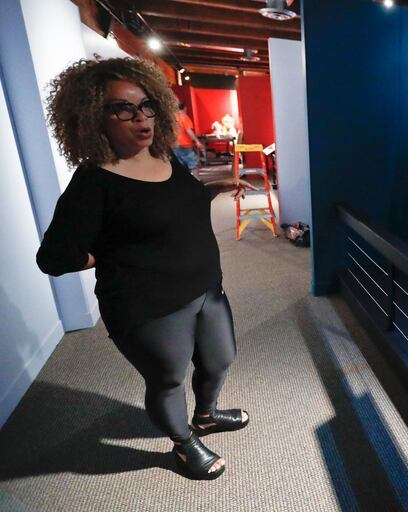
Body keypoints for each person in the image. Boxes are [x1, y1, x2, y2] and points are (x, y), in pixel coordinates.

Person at [37, 58, 257, 480]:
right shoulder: (94, 183)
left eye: (147, 106)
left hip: (205, 286)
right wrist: (112, 252)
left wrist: (214, 188)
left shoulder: (164, 156)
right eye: (123, 108)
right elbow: (55, 257)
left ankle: (207, 415)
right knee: (169, 380)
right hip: (148, 305)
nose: (141, 119)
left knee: (220, 360)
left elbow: (173, 205)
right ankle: (183, 443)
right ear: (91, 117)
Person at [173, 102, 203, 174]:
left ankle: (184, 183)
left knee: (181, 166)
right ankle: (196, 182)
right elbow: (189, 131)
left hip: (175, 145)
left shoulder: (173, 118)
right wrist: (197, 141)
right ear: (184, 108)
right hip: (185, 145)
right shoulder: (184, 117)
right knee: (193, 165)